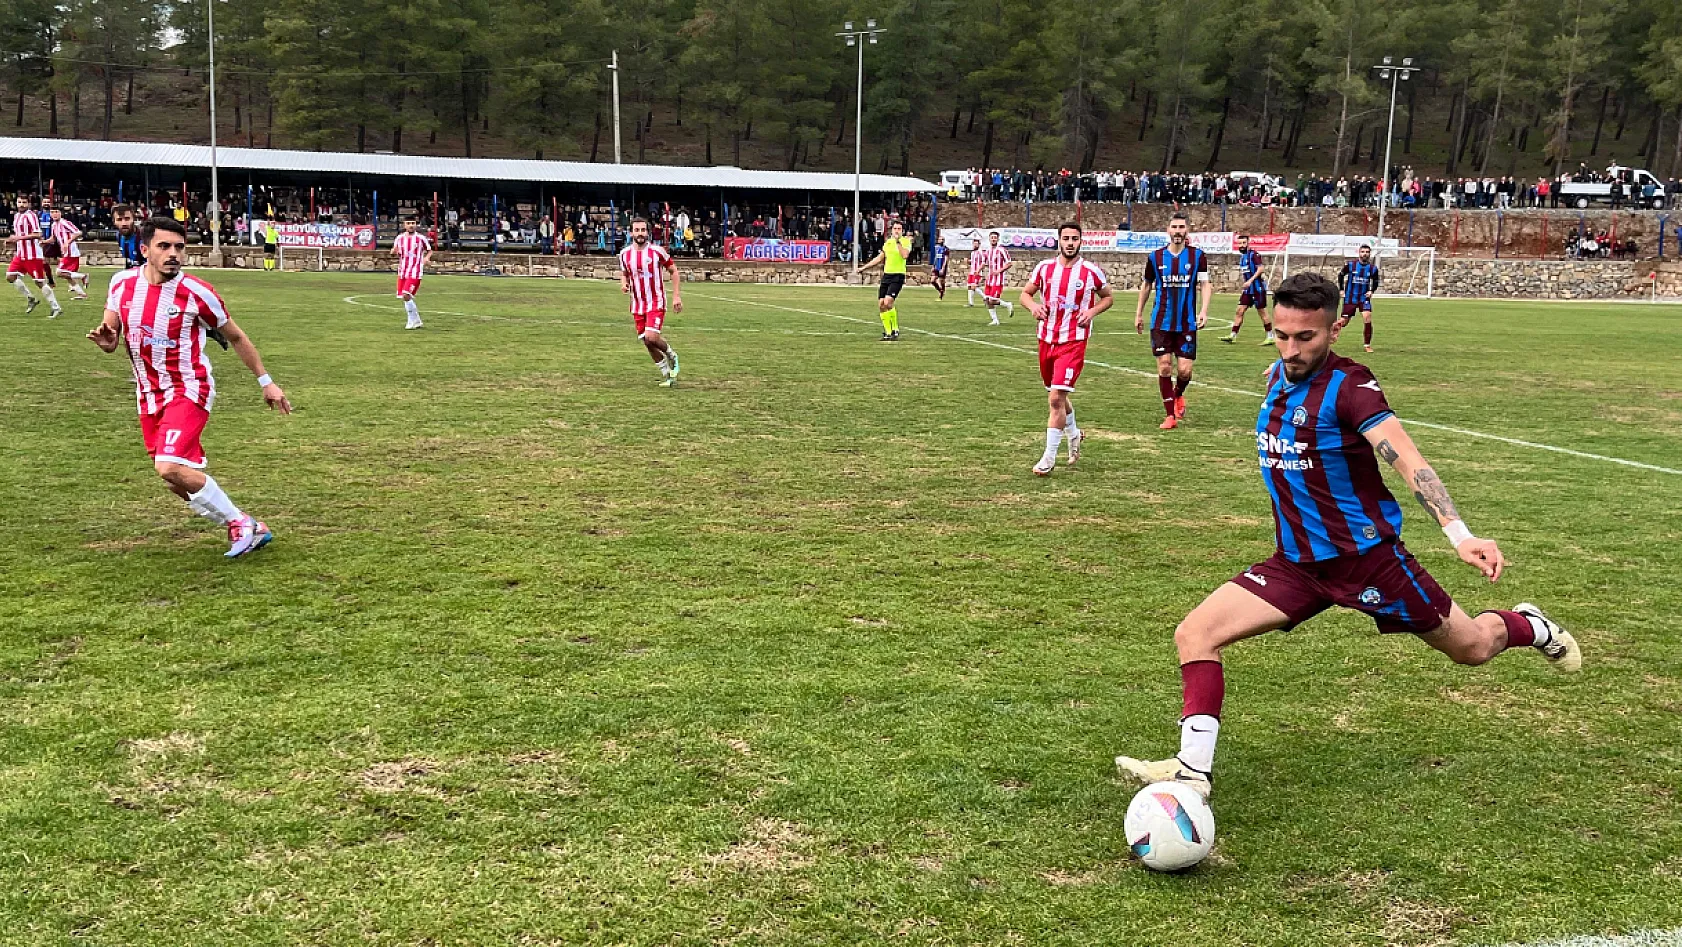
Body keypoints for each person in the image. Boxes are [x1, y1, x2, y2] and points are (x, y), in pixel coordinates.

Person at [1114, 272, 1580, 799]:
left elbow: (1406, 457)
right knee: (1195, 634)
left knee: (1472, 647)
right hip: (1296, 564)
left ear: (1335, 329)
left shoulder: (1352, 388)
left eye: (1305, 338)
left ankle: (1529, 624)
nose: (1291, 348)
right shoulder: (1278, 376)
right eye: (1282, 335)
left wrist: (1459, 533)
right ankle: (1191, 773)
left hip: (1368, 561)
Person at [86, 217, 292, 559]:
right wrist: (108, 341)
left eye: (179, 247)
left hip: (189, 388)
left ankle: (240, 523)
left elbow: (236, 336)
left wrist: (266, 381)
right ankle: (248, 525)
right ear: (145, 249)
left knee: (167, 466)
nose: (174, 254)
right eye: (164, 246)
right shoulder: (122, 284)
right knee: (174, 479)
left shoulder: (198, 292)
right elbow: (111, 332)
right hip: (148, 394)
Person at [1020, 222, 1112, 476]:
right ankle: (1073, 433)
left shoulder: (1091, 272)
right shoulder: (1044, 268)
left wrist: (1092, 311)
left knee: (1055, 399)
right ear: (1058, 240)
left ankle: (1048, 458)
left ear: (1081, 241)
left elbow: (1108, 297)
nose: (1070, 243)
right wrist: (1033, 308)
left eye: (1075, 238)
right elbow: (1025, 294)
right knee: (1057, 394)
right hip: (1046, 339)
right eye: (1066, 238)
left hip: (1073, 341)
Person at [1134, 213, 1209, 430]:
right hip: (1161, 322)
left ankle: (1177, 395)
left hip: (1186, 323)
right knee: (1165, 366)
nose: (1178, 231)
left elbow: (1205, 284)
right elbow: (1147, 286)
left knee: (1184, 371)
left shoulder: (1197, 257)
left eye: (1181, 227)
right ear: (1168, 230)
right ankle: (1169, 416)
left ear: (1187, 231)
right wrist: (1138, 313)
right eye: (1174, 227)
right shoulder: (1155, 257)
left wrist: (1203, 310)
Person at [619, 216, 684, 386]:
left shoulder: (657, 251)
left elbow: (674, 271)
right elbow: (624, 273)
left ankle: (671, 354)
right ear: (631, 232)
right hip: (637, 304)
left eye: (643, 230)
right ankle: (667, 375)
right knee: (647, 341)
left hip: (656, 301)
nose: (640, 233)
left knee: (651, 337)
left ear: (647, 232)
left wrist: (676, 296)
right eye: (637, 230)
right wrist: (624, 284)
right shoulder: (624, 254)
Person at [6, 194, 60, 317]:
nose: (21, 205)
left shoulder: (31, 216)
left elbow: (38, 233)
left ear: (28, 204)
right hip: (21, 254)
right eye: (19, 202)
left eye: (24, 202)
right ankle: (31, 298)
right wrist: (11, 240)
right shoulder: (16, 216)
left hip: (33, 255)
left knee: (39, 282)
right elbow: (18, 234)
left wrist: (18, 238)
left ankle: (56, 307)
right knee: (10, 276)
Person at [859, 219, 913, 341]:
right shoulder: (888, 243)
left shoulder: (906, 242)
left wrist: (898, 242)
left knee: (888, 302)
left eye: (899, 229)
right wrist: (863, 268)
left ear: (902, 231)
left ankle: (895, 329)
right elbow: (879, 258)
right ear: (891, 230)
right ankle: (888, 332)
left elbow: (904, 255)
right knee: (881, 305)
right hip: (887, 276)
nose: (897, 231)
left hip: (898, 276)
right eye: (895, 229)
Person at [1224, 233, 1271, 345]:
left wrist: (1250, 281)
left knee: (1262, 312)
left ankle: (1270, 336)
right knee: (1239, 310)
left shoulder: (1254, 255)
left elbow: (1260, 269)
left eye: (1244, 243)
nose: (1242, 245)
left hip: (1257, 288)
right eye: (1240, 243)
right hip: (1248, 290)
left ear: (1248, 243)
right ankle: (1232, 335)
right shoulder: (1243, 257)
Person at [1337, 243, 1381, 353]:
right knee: (1344, 322)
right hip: (1350, 297)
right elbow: (1341, 275)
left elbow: (1375, 281)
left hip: (1363, 298)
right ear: (1359, 253)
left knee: (1367, 317)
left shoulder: (1373, 269)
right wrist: (1341, 289)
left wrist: (1371, 291)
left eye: (1367, 252)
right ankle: (1328, 331)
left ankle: (1367, 345)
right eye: (1363, 252)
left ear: (1369, 254)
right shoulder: (1351, 265)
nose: (1365, 254)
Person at [392, 217, 433, 330]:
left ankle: (411, 321)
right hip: (402, 272)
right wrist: (393, 252)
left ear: (416, 225)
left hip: (415, 271)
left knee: (406, 295)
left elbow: (429, 250)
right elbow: (394, 251)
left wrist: (426, 258)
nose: (411, 225)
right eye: (408, 223)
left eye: (413, 223)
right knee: (404, 297)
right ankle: (417, 321)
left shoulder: (421, 238)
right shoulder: (399, 238)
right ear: (404, 225)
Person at [48, 206, 90, 300]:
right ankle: (82, 294)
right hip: (65, 252)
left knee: (59, 272)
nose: (54, 214)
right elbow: (53, 238)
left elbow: (78, 233)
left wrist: (68, 242)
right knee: (67, 276)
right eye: (52, 212)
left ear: (60, 213)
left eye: (56, 211)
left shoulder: (65, 223)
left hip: (71, 251)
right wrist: (43, 242)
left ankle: (83, 276)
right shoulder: (54, 225)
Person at [979, 230, 1015, 325]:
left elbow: (1009, 263)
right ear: (989, 239)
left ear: (998, 239)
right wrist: (978, 271)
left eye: (995, 237)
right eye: (992, 237)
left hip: (998, 279)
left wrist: (999, 271)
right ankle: (995, 320)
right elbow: (984, 263)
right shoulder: (988, 251)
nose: (993, 239)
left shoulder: (1002, 250)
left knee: (992, 300)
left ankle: (1008, 304)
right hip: (990, 279)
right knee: (987, 300)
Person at [113, 204, 144, 268]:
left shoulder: (144, 237)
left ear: (133, 219)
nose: (124, 223)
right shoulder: (119, 236)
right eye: (119, 219)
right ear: (114, 222)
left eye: (127, 219)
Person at [966, 239, 987, 307]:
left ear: (979, 245)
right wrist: (968, 261)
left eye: (976, 244)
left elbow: (984, 262)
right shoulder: (972, 253)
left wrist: (978, 270)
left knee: (973, 287)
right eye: (974, 244)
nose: (975, 245)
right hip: (972, 272)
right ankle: (970, 303)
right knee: (969, 287)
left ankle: (985, 297)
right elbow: (972, 262)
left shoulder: (981, 252)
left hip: (977, 272)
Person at [929, 234, 950, 301]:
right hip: (936, 267)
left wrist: (943, 268)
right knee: (932, 281)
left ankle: (941, 296)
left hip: (941, 267)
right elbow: (936, 257)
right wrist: (933, 266)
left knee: (942, 281)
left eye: (941, 240)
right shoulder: (937, 248)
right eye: (939, 239)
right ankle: (941, 291)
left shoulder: (946, 249)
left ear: (943, 241)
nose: (939, 241)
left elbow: (946, 259)